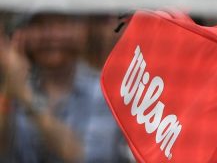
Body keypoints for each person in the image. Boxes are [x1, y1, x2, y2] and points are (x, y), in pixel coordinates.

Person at [0, 12, 128, 162]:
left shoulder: (105, 91)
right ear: (21, 34)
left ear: (83, 31)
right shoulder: (14, 84)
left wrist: (27, 97)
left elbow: (86, 157)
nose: (52, 35)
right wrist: (7, 91)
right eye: (39, 24)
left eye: (63, 23)